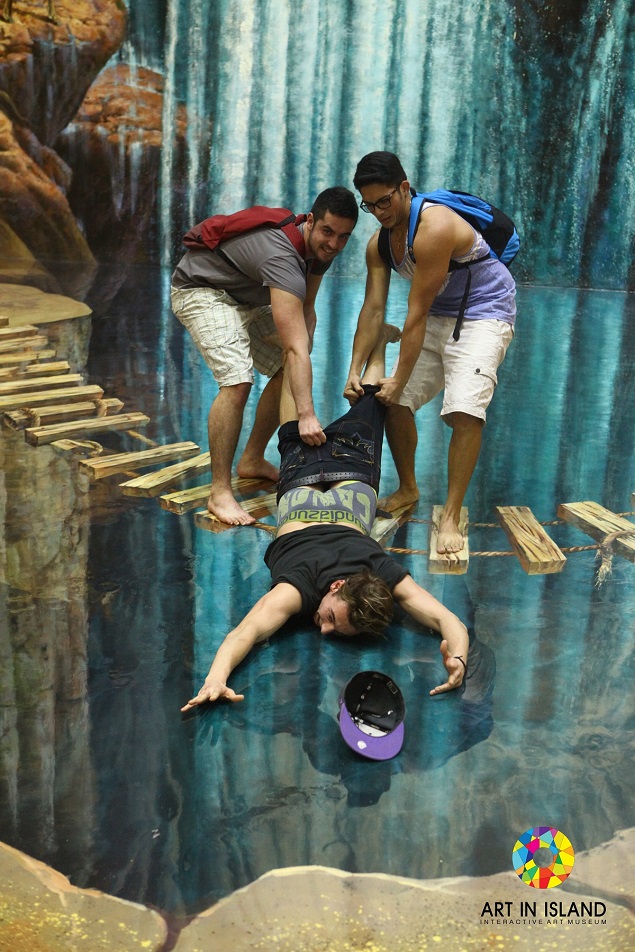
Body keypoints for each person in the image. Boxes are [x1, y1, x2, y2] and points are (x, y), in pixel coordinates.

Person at [181, 326, 469, 712]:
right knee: (374, 403)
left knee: (370, 404)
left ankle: (314, 347)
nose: (323, 627)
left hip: (314, 473)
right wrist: (214, 677)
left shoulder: (379, 575)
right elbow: (245, 632)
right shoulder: (301, 588)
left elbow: (450, 623)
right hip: (334, 473)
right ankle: (317, 346)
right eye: (332, 618)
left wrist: (216, 680)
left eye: (332, 627)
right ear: (336, 586)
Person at [344, 152, 516, 557]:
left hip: (485, 313)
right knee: (395, 401)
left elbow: (415, 313)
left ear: (405, 188)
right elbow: (373, 310)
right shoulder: (379, 245)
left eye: (384, 201)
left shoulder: (435, 226)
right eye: (370, 206)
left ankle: (452, 515)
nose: (379, 212)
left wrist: (398, 376)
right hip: (441, 313)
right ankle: (407, 487)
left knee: (464, 411)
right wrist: (353, 369)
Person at [171, 187, 359, 526]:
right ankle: (219, 491)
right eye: (328, 232)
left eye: (343, 237)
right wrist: (306, 414)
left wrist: (301, 351)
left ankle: (253, 459)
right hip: (200, 290)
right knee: (238, 381)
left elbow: (306, 310)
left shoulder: (320, 251)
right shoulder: (283, 256)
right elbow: (294, 345)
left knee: (289, 365)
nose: (333, 244)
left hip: (243, 300)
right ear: (311, 220)